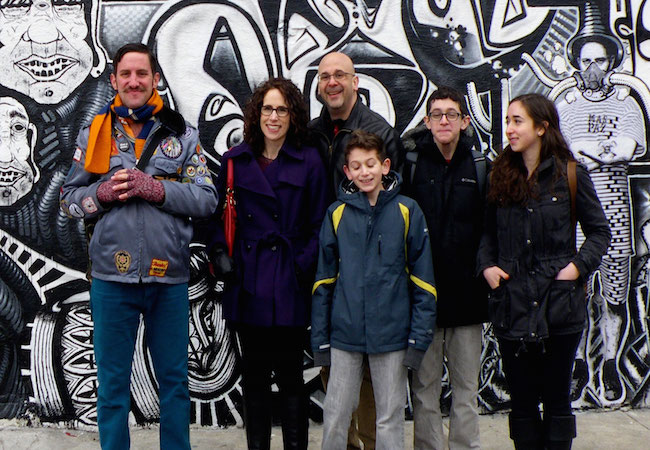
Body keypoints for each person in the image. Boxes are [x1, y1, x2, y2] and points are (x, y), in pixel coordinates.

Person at [60, 43, 217, 449]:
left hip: (169, 280)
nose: (134, 81)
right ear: (113, 80)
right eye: (126, 74)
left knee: (175, 386)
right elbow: (69, 201)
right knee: (112, 388)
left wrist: (157, 189)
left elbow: (206, 199)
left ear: (155, 79)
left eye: (141, 74)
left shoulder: (181, 134)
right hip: (112, 280)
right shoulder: (94, 131)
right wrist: (103, 194)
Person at [477, 93, 610, 449]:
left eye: (517, 121)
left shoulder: (569, 173)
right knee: (520, 403)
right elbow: (487, 233)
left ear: (541, 126)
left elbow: (600, 232)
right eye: (507, 121)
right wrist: (487, 267)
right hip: (513, 305)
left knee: (556, 401)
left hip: (559, 307)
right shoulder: (499, 175)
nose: (509, 129)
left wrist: (576, 268)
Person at [208, 77, 328, 449]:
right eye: (267, 108)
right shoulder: (234, 161)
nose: (273, 117)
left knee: (292, 378)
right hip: (248, 281)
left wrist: (300, 266)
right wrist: (221, 258)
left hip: (290, 284)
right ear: (256, 113)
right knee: (255, 378)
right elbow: (215, 220)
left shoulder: (309, 160)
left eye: (282, 109)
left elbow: (322, 222)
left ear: (293, 116)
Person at [312, 129, 436, 450]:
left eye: (371, 164)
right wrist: (320, 340)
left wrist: (417, 339)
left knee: (390, 416)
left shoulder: (408, 211)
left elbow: (424, 283)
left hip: (392, 335)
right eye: (356, 166)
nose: (364, 172)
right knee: (337, 413)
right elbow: (323, 282)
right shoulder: (336, 214)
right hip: (344, 334)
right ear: (347, 172)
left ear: (385, 165)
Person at [308, 51, 405, 448]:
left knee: (367, 376)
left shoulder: (378, 130)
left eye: (340, 75)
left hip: (370, 269)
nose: (332, 82)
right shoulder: (312, 132)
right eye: (325, 76)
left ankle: (366, 442)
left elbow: (395, 202)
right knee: (335, 368)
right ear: (318, 84)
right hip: (326, 265)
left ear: (355, 82)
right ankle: (347, 442)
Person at [557, 31, 646, 405]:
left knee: (613, 300)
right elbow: (566, 151)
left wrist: (593, 153)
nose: (593, 68)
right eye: (587, 60)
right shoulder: (565, 105)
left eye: (600, 60)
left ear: (612, 63)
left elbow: (627, 148)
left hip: (616, 221)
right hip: (575, 221)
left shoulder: (627, 106)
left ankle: (609, 363)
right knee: (575, 297)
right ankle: (578, 364)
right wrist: (604, 151)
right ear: (577, 63)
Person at [402, 86, 489, 450]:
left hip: (468, 300)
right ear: (427, 121)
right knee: (424, 393)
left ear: (465, 122)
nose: (443, 120)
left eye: (451, 114)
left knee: (467, 391)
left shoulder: (482, 166)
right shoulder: (412, 164)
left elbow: (489, 229)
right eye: (436, 114)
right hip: (423, 301)